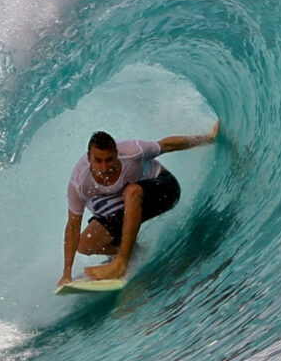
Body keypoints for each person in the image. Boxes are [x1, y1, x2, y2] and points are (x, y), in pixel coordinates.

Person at [61, 121, 218, 286]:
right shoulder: (79, 182)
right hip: (126, 205)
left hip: (163, 191)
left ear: (117, 152)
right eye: (98, 161)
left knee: (132, 191)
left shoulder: (132, 151)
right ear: (89, 158)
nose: (105, 166)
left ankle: (121, 262)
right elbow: (72, 226)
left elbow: (167, 145)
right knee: (85, 244)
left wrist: (209, 138)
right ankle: (134, 251)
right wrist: (67, 274)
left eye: (109, 159)